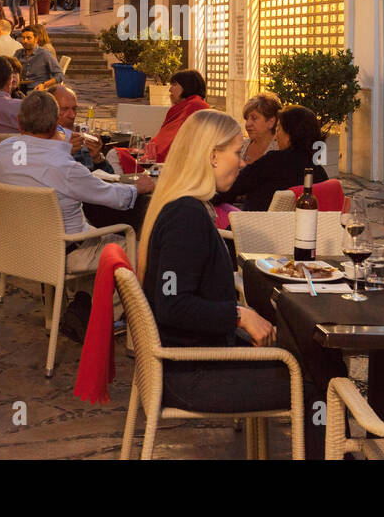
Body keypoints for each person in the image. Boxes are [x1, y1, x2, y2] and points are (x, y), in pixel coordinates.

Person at [137, 111, 293, 424]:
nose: (243, 161)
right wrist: (240, 314)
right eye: (237, 153)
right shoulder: (186, 216)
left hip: (190, 364)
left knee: (311, 362)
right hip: (192, 375)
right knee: (321, 383)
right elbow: (173, 305)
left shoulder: (184, 206)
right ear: (212, 156)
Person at [0, 91, 152, 271]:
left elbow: (34, 165)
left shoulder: (4, 149)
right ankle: (115, 298)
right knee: (145, 252)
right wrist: (138, 188)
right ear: (56, 123)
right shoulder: (65, 167)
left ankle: (83, 296)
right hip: (67, 251)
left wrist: (61, 149)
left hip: (17, 246)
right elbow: (113, 197)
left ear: (18, 122)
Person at [214, 105, 327, 211]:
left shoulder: (274, 162)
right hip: (295, 230)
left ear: (290, 135)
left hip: (250, 228)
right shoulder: (319, 173)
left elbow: (231, 187)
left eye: (278, 129)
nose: (276, 137)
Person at [115, 69, 211, 172]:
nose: (170, 90)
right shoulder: (185, 106)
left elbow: (175, 140)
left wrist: (150, 153)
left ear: (187, 86)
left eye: (174, 85)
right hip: (156, 154)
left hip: (165, 161)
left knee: (115, 155)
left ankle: (129, 186)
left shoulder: (196, 106)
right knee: (115, 154)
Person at [48, 84, 110, 173]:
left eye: (74, 108)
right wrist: (65, 153)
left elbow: (111, 176)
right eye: (64, 109)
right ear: (50, 110)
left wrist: (97, 158)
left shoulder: (81, 135)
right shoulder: (42, 139)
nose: (72, 115)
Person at [14, 26, 63, 91]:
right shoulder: (18, 53)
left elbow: (59, 75)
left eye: (28, 38)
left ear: (36, 39)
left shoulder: (45, 54)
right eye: (23, 38)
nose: (25, 41)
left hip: (37, 90)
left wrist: (44, 85)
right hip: (19, 89)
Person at [240, 91, 281, 166]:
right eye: (246, 119)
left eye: (254, 118)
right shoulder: (240, 146)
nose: (247, 124)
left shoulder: (280, 151)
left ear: (271, 122)